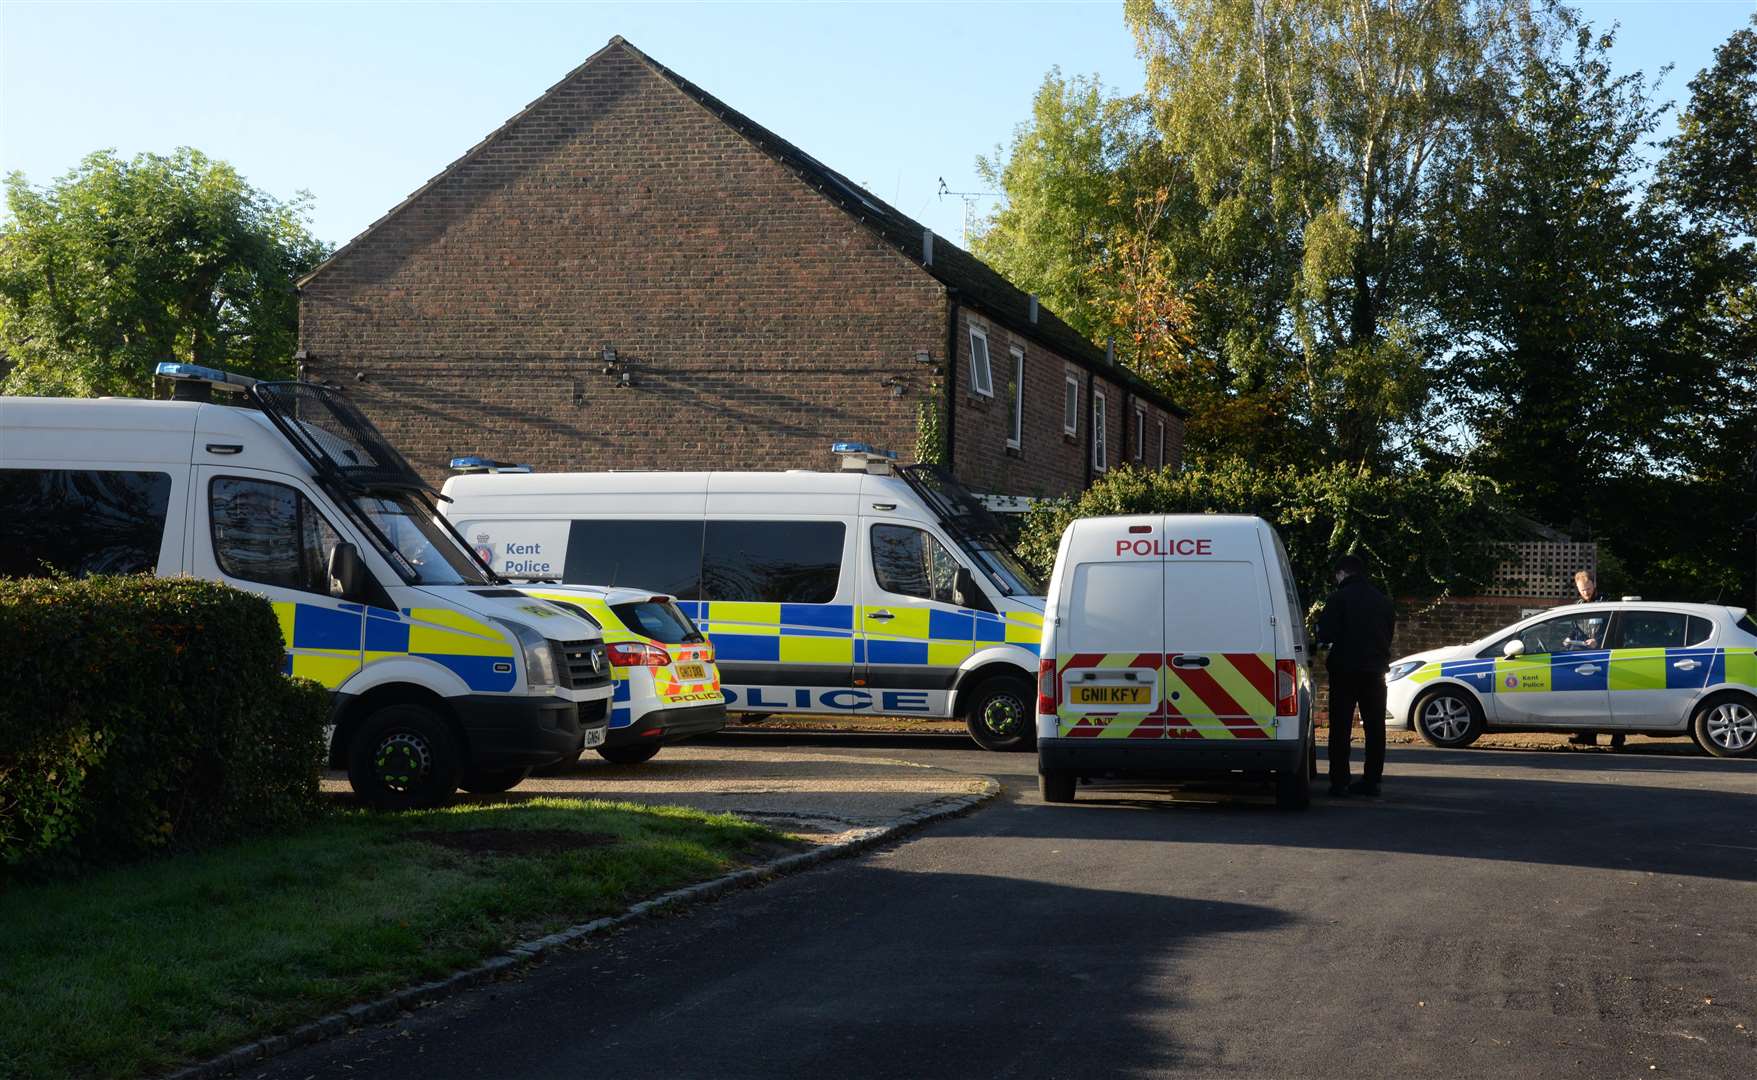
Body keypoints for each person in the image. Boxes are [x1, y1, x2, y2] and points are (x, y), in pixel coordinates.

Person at [1316, 554, 1397, 798]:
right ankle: (1372, 781)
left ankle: (1339, 781)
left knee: (1340, 729)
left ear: (1342, 573)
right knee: (1375, 729)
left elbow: (1325, 635)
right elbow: (1389, 634)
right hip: (1375, 672)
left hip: (1344, 671)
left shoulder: (1337, 598)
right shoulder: (1383, 601)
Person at [1563, 569, 1624, 750]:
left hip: (1607, 655)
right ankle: (1587, 735)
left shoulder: (1606, 603)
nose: (1586, 592)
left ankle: (1618, 737)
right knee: (1586, 698)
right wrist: (1568, 639)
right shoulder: (1578, 605)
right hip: (1585, 657)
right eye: (1582, 590)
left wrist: (1599, 640)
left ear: (1594, 585)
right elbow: (1575, 630)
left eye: (1588, 588)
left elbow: (1615, 627)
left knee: (1613, 697)